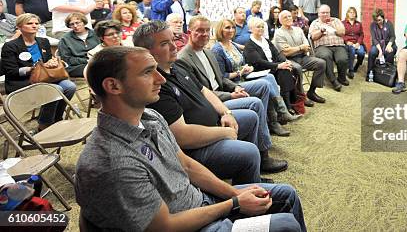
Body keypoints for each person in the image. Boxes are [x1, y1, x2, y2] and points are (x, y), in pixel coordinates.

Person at [76, 46, 306, 231]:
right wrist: (233, 204)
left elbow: (185, 164)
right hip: (189, 224)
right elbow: (164, 226)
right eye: (148, 72)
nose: (161, 79)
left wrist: (235, 193)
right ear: (113, 86)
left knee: (286, 194)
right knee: (285, 225)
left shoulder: (151, 117)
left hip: (201, 203)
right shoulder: (112, 161)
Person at [134, 21, 288, 174]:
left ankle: (258, 163)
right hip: (198, 144)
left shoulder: (178, 66)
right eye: (164, 43)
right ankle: (247, 182)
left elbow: (205, 91)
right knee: (249, 150)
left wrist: (225, 113)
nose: (174, 46)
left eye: (173, 40)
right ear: (146, 51)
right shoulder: (157, 85)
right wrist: (224, 132)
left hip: (215, 118)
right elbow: (182, 136)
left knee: (252, 115)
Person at [180, 16, 298, 137]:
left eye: (207, 30)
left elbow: (220, 78)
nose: (204, 34)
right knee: (257, 100)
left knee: (267, 82)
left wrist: (235, 86)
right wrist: (231, 92)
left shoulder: (208, 52)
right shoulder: (188, 57)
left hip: (233, 84)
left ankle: (274, 119)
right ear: (189, 32)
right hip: (213, 100)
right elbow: (202, 91)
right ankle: (265, 141)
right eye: (199, 30)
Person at [1, 13, 76, 130]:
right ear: (19, 27)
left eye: (36, 23)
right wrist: (33, 69)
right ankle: (44, 125)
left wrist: (52, 63)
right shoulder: (10, 46)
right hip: (22, 82)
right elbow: (11, 71)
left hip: (45, 78)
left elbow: (48, 60)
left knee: (70, 86)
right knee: (56, 89)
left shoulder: (43, 41)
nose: (34, 26)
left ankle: (56, 119)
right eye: (30, 23)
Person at [244, 17, 302, 114]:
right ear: (251, 29)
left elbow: (277, 54)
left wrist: (285, 61)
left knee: (287, 69)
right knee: (283, 71)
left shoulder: (266, 40)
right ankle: (286, 107)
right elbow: (259, 62)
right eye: (258, 27)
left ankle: (290, 103)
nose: (261, 29)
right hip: (261, 70)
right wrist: (278, 66)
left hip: (273, 67)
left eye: (262, 27)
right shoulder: (249, 45)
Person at [273, 10, 326, 104]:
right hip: (288, 59)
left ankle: (311, 92)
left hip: (302, 57)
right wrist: (301, 47)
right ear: (280, 21)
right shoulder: (279, 33)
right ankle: (301, 95)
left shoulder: (298, 29)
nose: (289, 18)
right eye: (285, 17)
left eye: (289, 16)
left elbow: (306, 44)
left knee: (321, 63)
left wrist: (297, 48)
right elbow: (286, 52)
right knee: (297, 68)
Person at [309, 4, 349, 92]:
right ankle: (333, 81)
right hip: (322, 47)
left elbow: (342, 32)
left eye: (327, 12)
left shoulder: (336, 20)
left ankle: (342, 78)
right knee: (326, 56)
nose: (325, 14)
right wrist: (321, 30)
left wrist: (332, 26)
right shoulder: (315, 23)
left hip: (338, 45)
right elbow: (313, 37)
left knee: (342, 59)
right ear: (318, 14)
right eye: (323, 13)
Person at [58, 12, 100, 77]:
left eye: (77, 22)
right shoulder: (65, 39)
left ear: (83, 22)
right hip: (76, 66)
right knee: (93, 69)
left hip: (97, 61)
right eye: (72, 24)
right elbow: (66, 59)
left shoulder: (96, 34)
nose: (75, 26)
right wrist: (86, 60)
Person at [367, 8, 397, 79]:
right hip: (378, 45)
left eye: (379, 20)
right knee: (372, 52)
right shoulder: (372, 25)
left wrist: (389, 45)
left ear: (383, 17)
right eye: (376, 20)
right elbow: (374, 39)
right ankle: (370, 73)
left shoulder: (389, 23)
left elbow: (393, 36)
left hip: (389, 44)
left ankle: (388, 75)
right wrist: (380, 51)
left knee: (389, 52)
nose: (378, 22)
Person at [342, 7, 365, 79]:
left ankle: (358, 64)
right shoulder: (343, 23)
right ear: (347, 14)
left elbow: (361, 34)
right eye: (350, 12)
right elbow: (341, 34)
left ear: (356, 14)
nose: (352, 14)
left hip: (357, 43)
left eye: (353, 12)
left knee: (361, 53)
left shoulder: (359, 24)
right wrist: (346, 41)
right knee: (351, 50)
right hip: (347, 43)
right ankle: (350, 70)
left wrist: (358, 43)